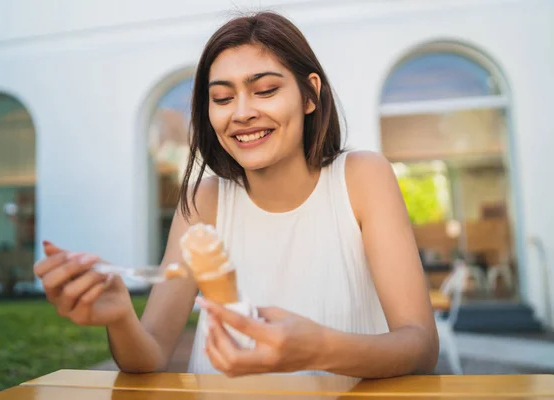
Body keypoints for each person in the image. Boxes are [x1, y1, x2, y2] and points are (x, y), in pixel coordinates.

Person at [34, 11, 439, 378]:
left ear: (310, 94)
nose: (241, 112)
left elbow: (420, 346)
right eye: (222, 98)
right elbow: (151, 355)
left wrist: (318, 349)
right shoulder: (204, 201)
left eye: (264, 90)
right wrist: (120, 316)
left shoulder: (362, 178)